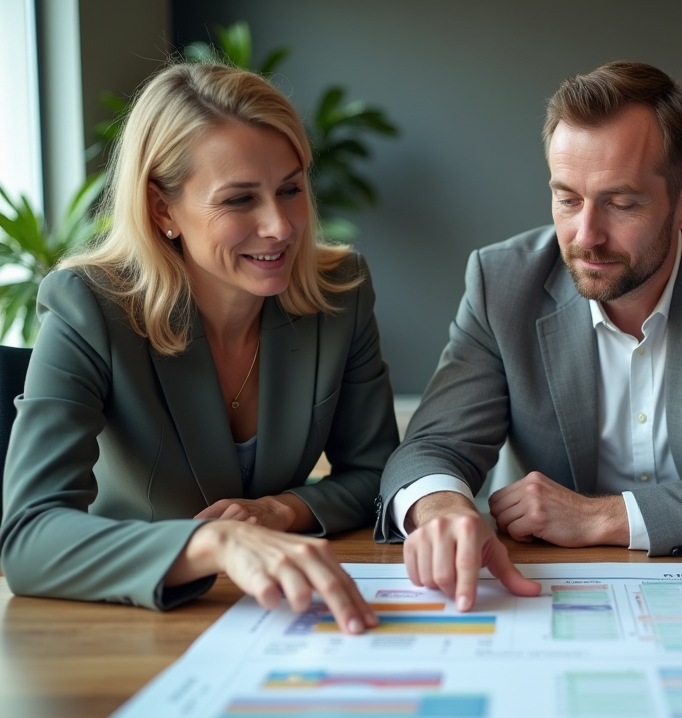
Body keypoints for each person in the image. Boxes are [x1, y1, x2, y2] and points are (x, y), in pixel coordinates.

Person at [378, 61, 682, 610]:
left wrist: (602, 516)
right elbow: (432, 447)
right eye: (567, 198)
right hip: (552, 593)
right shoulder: (502, 283)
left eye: (622, 203)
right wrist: (444, 511)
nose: (586, 235)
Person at [0, 62, 398, 635]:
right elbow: (29, 537)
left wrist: (281, 509)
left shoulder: (340, 290)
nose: (281, 226)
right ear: (163, 210)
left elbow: (375, 471)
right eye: (240, 201)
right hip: (123, 622)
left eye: (290, 189)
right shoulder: (88, 307)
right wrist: (214, 541)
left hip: (275, 615)